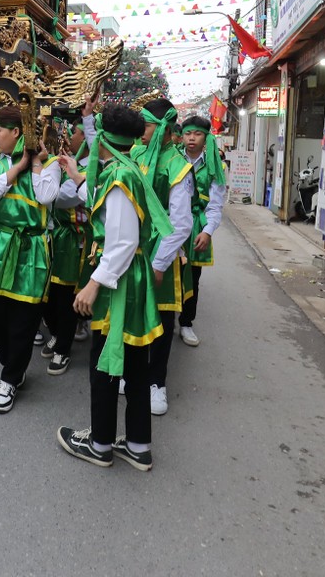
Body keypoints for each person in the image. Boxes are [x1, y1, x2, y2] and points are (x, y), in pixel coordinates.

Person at [55, 106, 172, 472]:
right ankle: (137, 445)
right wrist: (75, 175)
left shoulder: (119, 174)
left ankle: (101, 443)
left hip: (117, 280)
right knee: (134, 363)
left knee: (105, 362)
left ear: (104, 138)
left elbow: (121, 242)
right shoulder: (121, 168)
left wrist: (93, 285)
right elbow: (101, 196)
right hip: (129, 277)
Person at [0, 107, 60, 413]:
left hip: (33, 246)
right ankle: (13, 363)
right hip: (1, 243)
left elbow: (45, 197)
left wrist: (34, 163)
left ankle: (10, 377)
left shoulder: (49, 164)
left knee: (24, 317)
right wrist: (19, 165)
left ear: (17, 133)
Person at [130, 98, 195, 416]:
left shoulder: (178, 166)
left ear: (164, 129)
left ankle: (157, 382)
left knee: (161, 318)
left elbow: (181, 223)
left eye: (147, 124)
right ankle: (133, 373)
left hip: (159, 253)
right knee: (133, 314)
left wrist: (159, 262)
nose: (142, 129)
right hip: (133, 247)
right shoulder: (136, 153)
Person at [41, 108, 92, 376]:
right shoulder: (63, 162)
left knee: (66, 297)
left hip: (76, 241)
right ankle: (61, 334)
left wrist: (46, 170)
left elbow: (59, 199)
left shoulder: (88, 169)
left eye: (75, 133)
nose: (69, 137)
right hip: (54, 237)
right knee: (51, 296)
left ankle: (63, 347)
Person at [179, 115, 227, 347]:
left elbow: (215, 205)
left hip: (197, 227)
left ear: (206, 137)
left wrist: (207, 231)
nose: (191, 138)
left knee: (192, 277)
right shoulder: (174, 159)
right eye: (188, 133)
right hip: (170, 225)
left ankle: (186, 323)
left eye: (197, 133)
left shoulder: (214, 165)